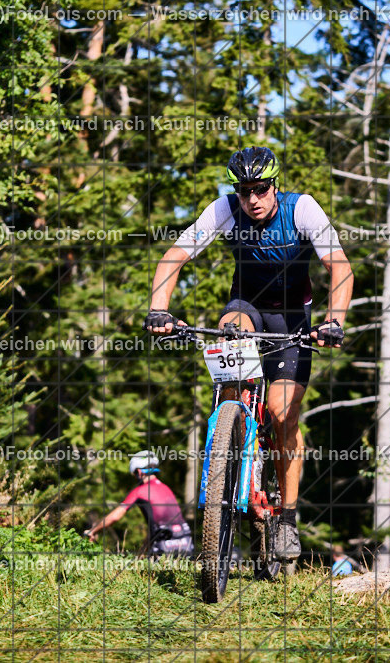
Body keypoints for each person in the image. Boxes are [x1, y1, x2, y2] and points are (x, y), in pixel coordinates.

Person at [144, 146, 354, 561]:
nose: (252, 199)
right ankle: (228, 434)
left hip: (294, 319)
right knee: (230, 334)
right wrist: (158, 309)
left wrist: (333, 320)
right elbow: (175, 256)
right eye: (244, 191)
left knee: (281, 414)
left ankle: (288, 520)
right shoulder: (225, 209)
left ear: (275, 186)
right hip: (247, 308)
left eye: (260, 189)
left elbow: (341, 267)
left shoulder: (302, 210)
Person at [85, 451, 195, 559]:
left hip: (164, 546)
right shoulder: (166, 488)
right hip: (186, 541)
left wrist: (93, 530)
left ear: (139, 471)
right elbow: (155, 528)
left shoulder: (140, 491)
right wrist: (141, 553)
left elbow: (115, 516)